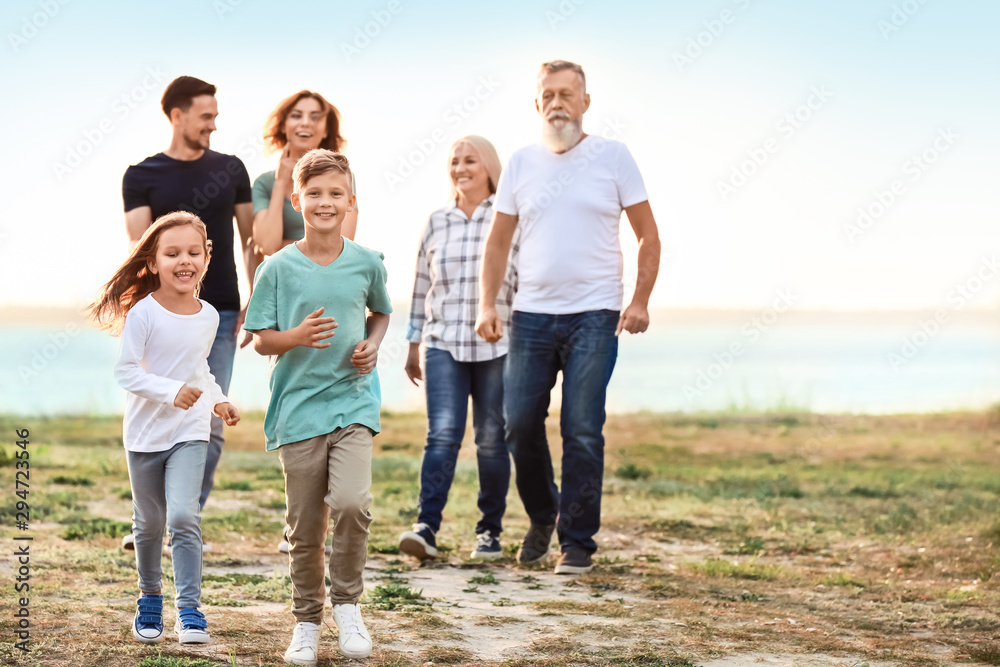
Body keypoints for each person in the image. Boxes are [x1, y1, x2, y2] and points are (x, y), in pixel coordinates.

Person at [476, 60, 661, 575]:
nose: (557, 103)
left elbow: (648, 233)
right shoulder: (520, 163)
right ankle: (544, 512)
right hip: (531, 315)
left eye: (567, 94)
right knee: (518, 425)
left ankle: (576, 542)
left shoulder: (613, 157)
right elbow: (497, 243)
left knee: (582, 426)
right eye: (548, 95)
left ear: (585, 102)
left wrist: (640, 299)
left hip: (595, 314)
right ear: (537, 104)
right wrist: (487, 304)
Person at [244, 149, 391, 663]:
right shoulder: (277, 268)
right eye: (314, 194)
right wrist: (297, 336)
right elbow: (261, 339)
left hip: (353, 403)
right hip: (298, 410)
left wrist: (373, 344)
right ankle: (306, 620)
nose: (325, 203)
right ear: (296, 199)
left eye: (335, 194)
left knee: (352, 503)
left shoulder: (367, 261)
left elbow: (380, 314)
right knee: (305, 528)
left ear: (351, 201)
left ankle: (348, 606)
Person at [88, 211, 241, 645]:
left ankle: (190, 610)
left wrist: (219, 400)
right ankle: (149, 598)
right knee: (150, 521)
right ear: (153, 262)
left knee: (183, 516)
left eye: (194, 252)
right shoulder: (143, 313)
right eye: (172, 253)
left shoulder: (209, 315)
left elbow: (203, 372)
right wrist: (172, 391)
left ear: (207, 257)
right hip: (144, 434)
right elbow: (127, 373)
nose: (184, 260)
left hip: (190, 431)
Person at [121, 76, 256, 551]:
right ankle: (153, 516)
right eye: (206, 117)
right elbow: (140, 252)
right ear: (177, 116)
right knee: (159, 407)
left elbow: (250, 240)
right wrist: (139, 315)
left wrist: (254, 297)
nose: (213, 126)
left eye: (215, 117)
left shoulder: (232, 168)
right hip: (159, 314)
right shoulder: (142, 175)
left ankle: (186, 517)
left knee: (210, 415)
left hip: (218, 309)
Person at [399, 136, 517, 561]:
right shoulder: (437, 220)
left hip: (498, 344)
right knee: (443, 434)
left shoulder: (508, 216)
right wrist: (412, 342)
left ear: (489, 166)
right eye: (454, 161)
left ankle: (489, 532)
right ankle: (426, 526)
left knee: (491, 439)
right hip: (442, 341)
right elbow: (420, 285)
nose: (461, 168)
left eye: (470, 160)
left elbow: (522, 281)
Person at [252, 90, 359, 256]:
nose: (306, 123)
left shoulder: (344, 178)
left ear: (326, 130)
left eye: (315, 117)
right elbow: (268, 246)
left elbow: (338, 247)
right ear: (283, 125)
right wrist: (280, 183)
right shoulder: (264, 183)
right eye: (296, 116)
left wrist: (283, 246)